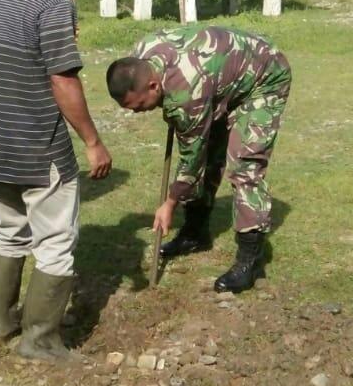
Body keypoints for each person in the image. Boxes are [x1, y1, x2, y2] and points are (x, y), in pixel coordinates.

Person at [0, 0, 112, 363]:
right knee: (55, 241)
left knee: (8, 229)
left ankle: (3, 320)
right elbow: (62, 78)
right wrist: (92, 141)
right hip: (39, 144)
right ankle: (41, 340)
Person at [106, 26, 292, 293]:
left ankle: (249, 262)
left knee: (245, 166)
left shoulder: (186, 93)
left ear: (153, 85)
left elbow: (190, 160)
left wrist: (169, 203)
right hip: (217, 79)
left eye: (138, 106)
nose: (136, 113)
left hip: (265, 76)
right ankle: (195, 233)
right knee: (210, 153)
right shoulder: (141, 54)